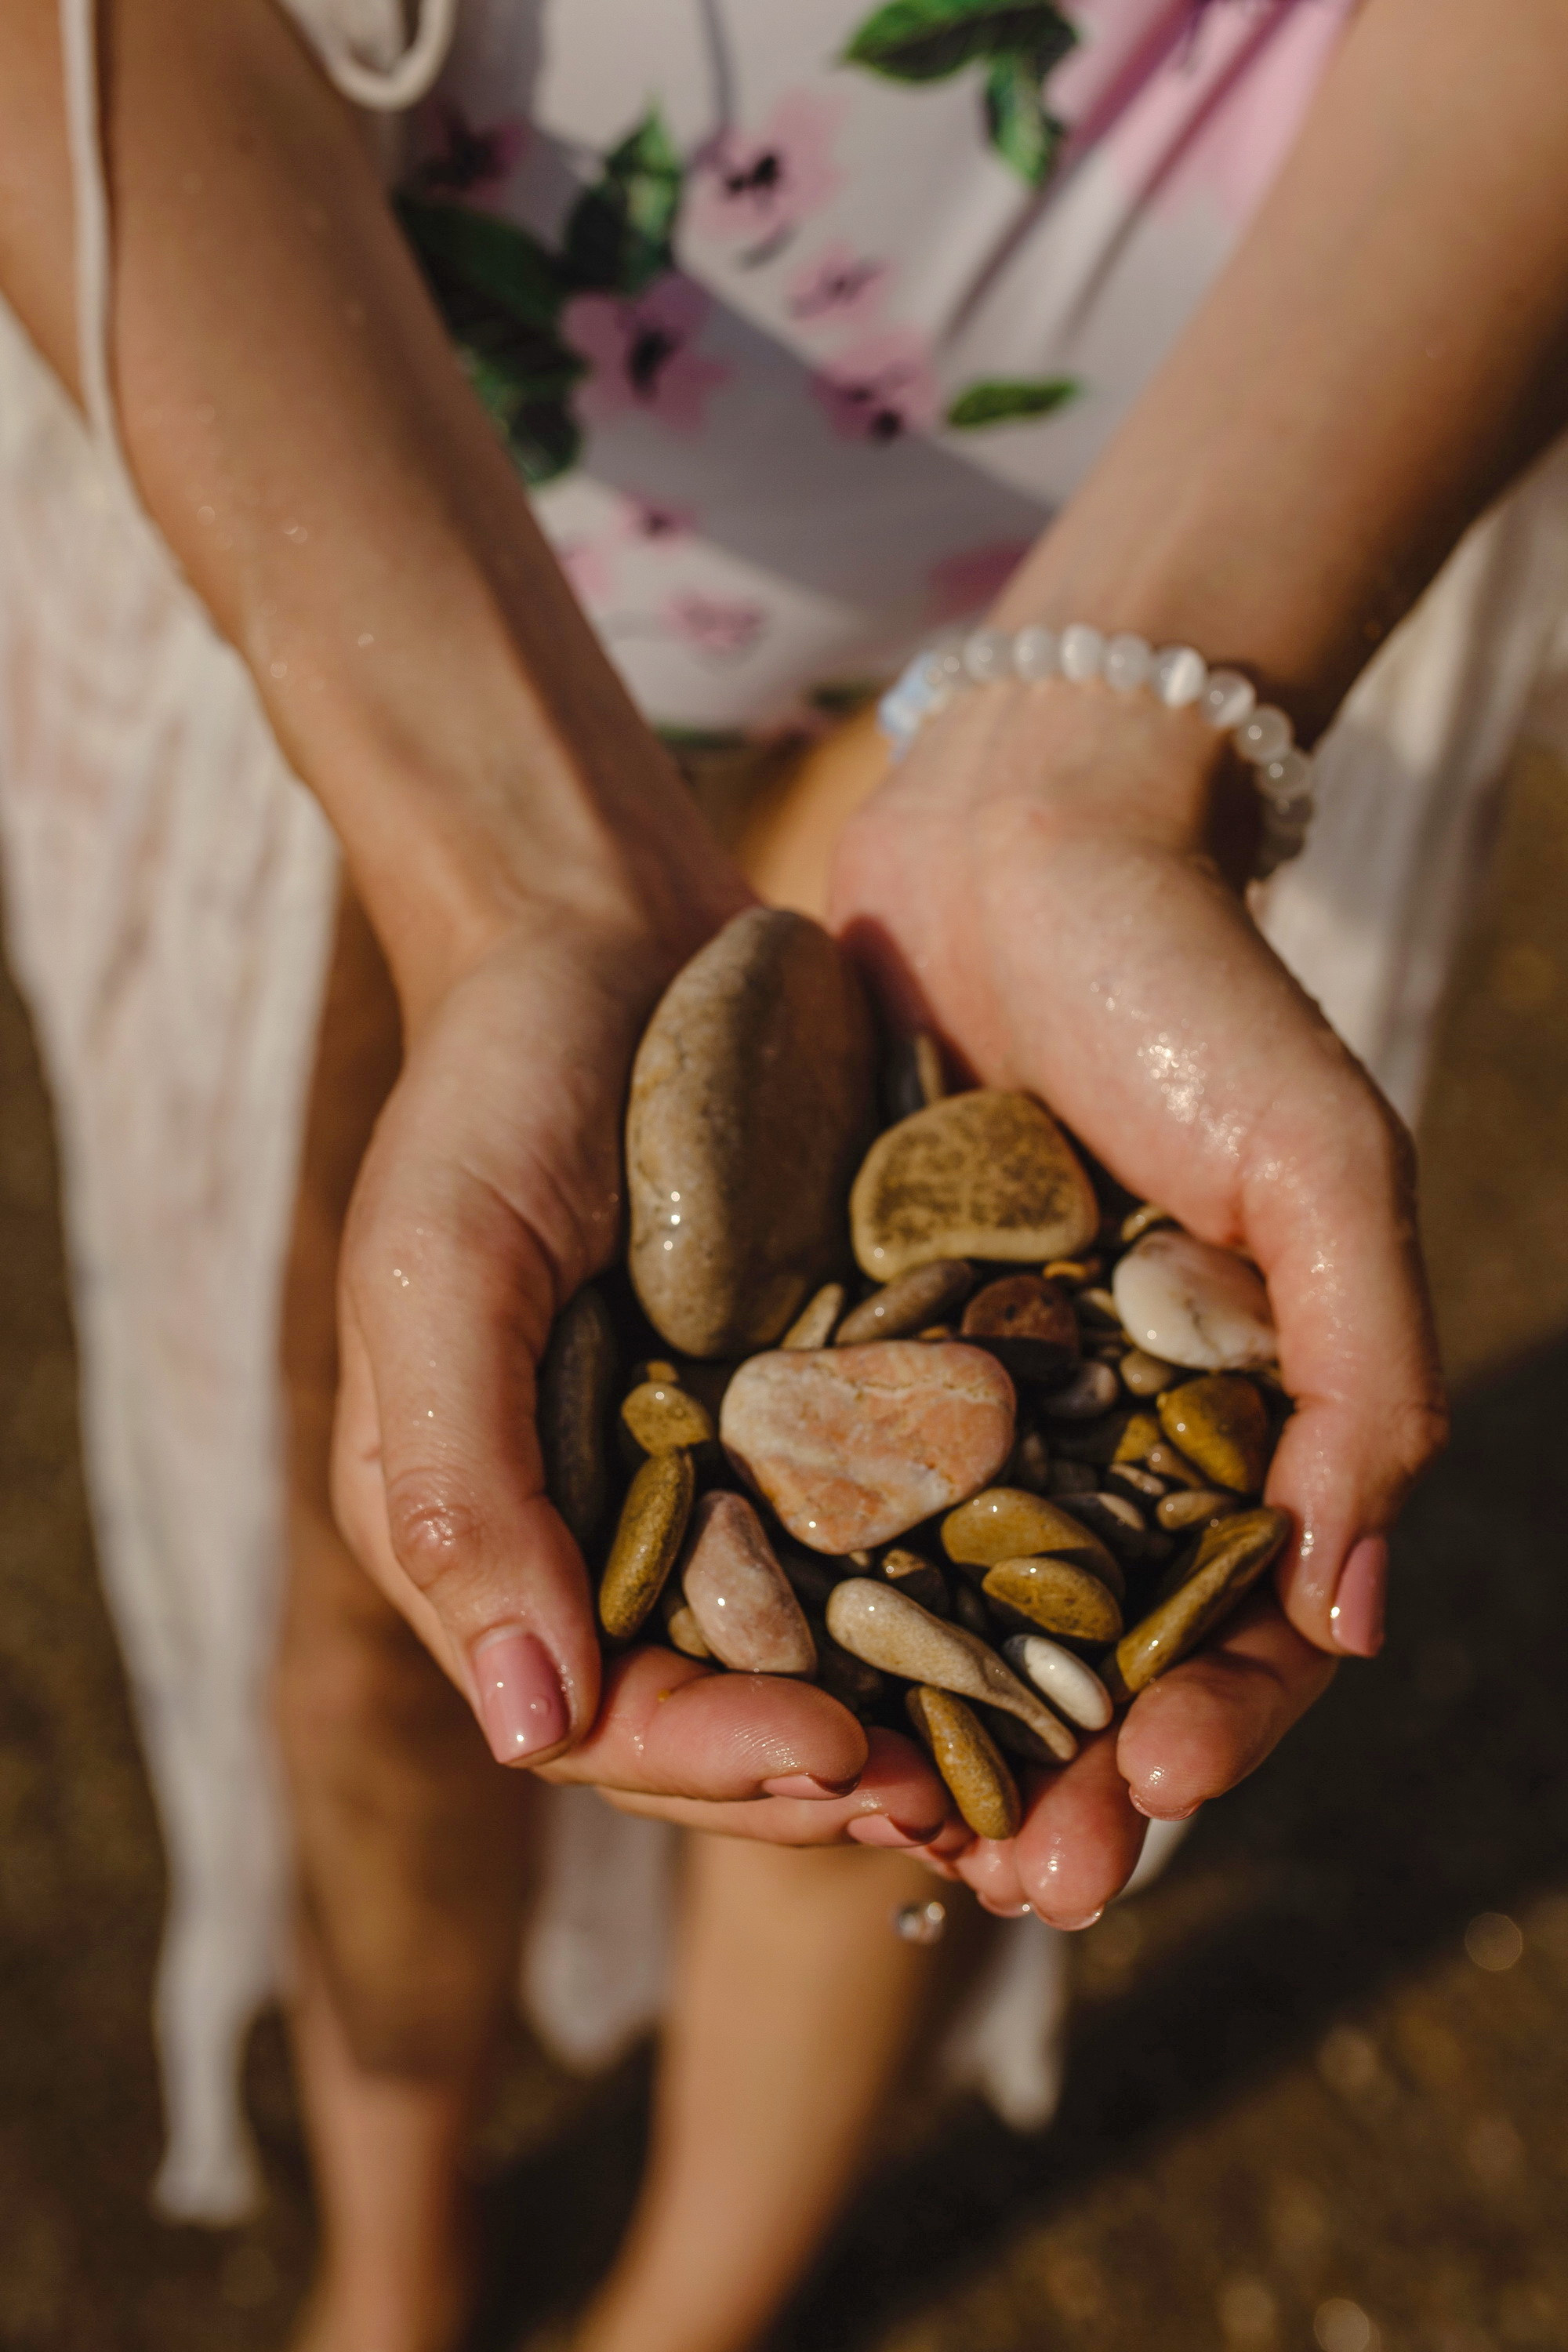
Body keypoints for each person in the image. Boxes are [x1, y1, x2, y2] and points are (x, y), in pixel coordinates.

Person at [2, 2, 1566, 2347]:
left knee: (894, 1785)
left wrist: (1117, 762)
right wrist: (508, 878)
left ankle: (690, 2313)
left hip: (1247, 441)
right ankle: (394, 2246)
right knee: (383, 1596)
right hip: (364, 442)